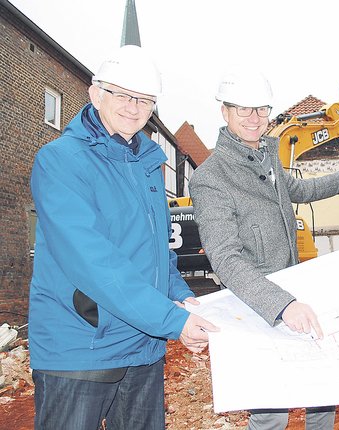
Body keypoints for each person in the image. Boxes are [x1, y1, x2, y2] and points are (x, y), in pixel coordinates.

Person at [28, 45, 218, 430]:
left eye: (145, 100)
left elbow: (156, 253)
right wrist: (170, 320)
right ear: (96, 93)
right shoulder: (61, 160)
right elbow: (93, 261)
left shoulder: (147, 164)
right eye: (123, 95)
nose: (134, 107)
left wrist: (181, 297)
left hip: (142, 346)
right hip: (81, 346)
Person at [189, 69, 339, 430]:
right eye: (244, 110)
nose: (254, 119)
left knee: (321, 392)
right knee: (271, 411)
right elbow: (225, 257)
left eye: (261, 109)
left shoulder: (267, 156)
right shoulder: (211, 177)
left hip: (298, 288)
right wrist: (280, 305)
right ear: (225, 112)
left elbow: (296, 191)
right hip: (256, 303)